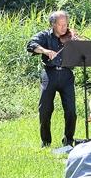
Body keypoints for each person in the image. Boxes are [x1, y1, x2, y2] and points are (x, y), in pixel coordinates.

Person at [28, 10, 80, 149]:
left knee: (71, 111)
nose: (64, 28)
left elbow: (83, 53)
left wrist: (78, 44)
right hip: (49, 74)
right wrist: (44, 51)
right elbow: (31, 44)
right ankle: (46, 142)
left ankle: (68, 141)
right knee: (44, 109)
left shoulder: (70, 36)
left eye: (66, 24)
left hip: (67, 75)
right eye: (61, 25)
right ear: (53, 24)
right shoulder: (45, 35)